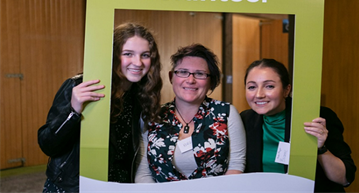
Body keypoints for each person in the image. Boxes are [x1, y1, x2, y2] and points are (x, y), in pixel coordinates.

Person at [38, 22, 162, 193]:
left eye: (145, 55)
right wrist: (73, 112)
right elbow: (48, 145)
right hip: (73, 187)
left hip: (117, 185)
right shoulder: (80, 86)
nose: (138, 62)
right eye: (128, 54)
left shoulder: (143, 95)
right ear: (112, 54)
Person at [240, 58, 356, 193]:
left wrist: (320, 148)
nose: (259, 94)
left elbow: (344, 178)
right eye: (252, 87)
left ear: (286, 90)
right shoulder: (245, 120)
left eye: (269, 86)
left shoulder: (316, 117)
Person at [135, 44, 246, 183]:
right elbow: (144, 173)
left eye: (199, 74)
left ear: (211, 81)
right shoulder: (153, 116)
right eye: (182, 72)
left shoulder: (226, 113)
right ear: (171, 77)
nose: (190, 80)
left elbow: (236, 166)